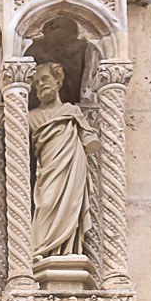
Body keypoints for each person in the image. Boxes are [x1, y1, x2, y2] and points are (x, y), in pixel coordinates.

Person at [29, 62, 99, 259]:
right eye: (36, 83)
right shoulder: (31, 117)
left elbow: (89, 139)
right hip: (49, 168)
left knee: (71, 204)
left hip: (72, 165)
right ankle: (42, 249)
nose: (40, 85)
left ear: (58, 80)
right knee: (46, 203)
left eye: (45, 79)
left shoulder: (72, 111)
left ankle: (68, 250)